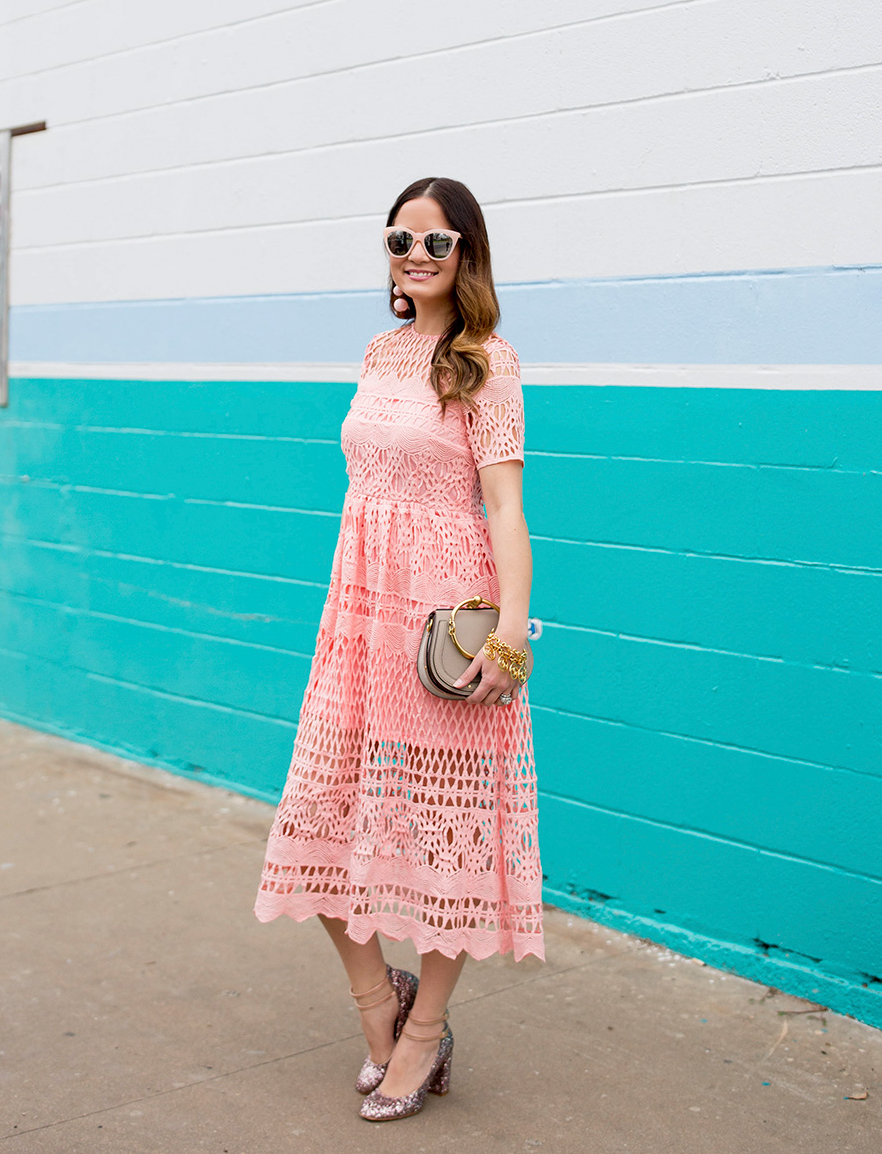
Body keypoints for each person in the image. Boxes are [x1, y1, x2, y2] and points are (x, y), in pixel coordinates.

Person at [254, 176, 543, 1122]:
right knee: (321, 816)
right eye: (398, 241)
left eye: (435, 242)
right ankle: (379, 1002)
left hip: (441, 614)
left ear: (468, 253)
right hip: (359, 609)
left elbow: (503, 503)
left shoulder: (486, 362)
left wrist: (506, 635)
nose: (414, 258)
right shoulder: (379, 353)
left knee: (445, 834)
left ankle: (426, 1035)